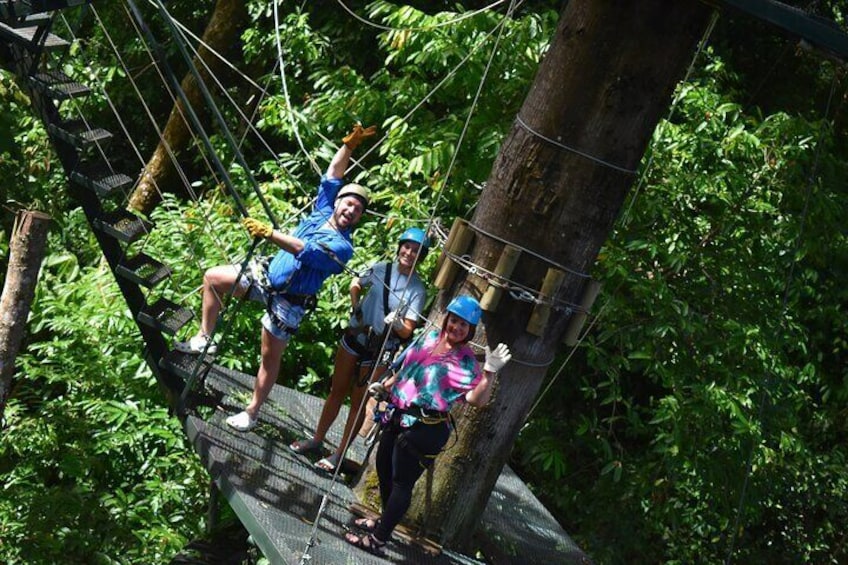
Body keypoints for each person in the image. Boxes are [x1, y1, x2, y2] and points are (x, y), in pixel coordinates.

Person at [175, 124, 376, 432]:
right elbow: (333, 174)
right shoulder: (323, 210)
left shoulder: (343, 248)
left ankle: (252, 412)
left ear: (359, 219)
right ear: (337, 203)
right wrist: (348, 147)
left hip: (288, 302)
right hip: (266, 277)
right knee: (213, 278)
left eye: (357, 210)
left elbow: (304, 250)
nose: (350, 210)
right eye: (348, 203)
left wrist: (270, 234)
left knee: (268, 360)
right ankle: (205, 337)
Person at [343, 295, 512, 556]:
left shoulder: (465, 361)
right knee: (384, 469)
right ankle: (384, 521)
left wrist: (489, 373)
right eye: (454, 320)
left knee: (402, 482)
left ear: (470, 331)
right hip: (398, 413)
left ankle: (379, 538)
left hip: (425, 427)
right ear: (447, 319)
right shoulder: (429, 338)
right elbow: (406, 368)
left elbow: (476, 400)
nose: (456, 327)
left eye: (463, 325)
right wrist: (387, 387)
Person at [288, 227, 430, 473]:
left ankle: (339, 455)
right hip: (357, 334)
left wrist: (396, 323)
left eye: (415, 251)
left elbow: (407, 330)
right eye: (406, 247)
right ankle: (317, 438)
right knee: (336, 391)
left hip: (380, 347)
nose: (409, 253)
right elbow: (356, 283)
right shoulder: (380, 269)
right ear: (400, 247)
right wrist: (356, 307)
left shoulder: (417, 289)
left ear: (421, 257)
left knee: (358, 402)